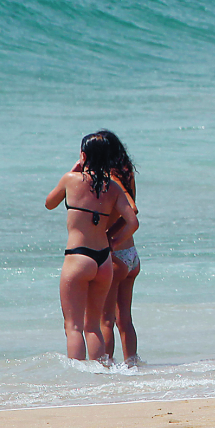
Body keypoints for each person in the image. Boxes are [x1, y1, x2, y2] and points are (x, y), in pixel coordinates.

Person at [45, 131, 136, 361]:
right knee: (93, 327)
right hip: (103, 259)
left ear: (84, 155)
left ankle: (80, 384)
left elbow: (49, 203)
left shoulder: (70, 179)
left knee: (73, 327)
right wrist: (113, 243)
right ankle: (100, 375)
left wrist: (75, 169)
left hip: (78, 257)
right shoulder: (113, 188)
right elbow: (132, 222)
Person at [98, 138, 142, 368]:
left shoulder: (113, 178)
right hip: (132, 255)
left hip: (117, 256)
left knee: (106, 319)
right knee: (124, 318)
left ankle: (106, 369)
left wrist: (110, 239)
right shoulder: (127, 174)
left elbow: (132, 210)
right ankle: (131, 366)